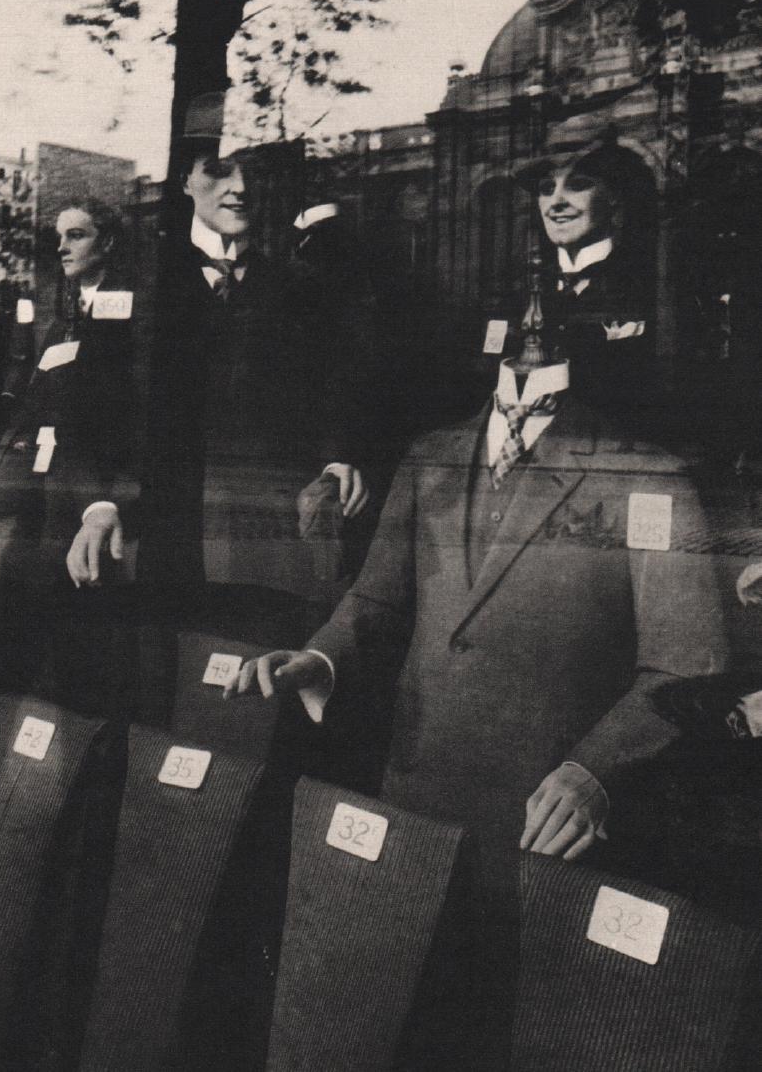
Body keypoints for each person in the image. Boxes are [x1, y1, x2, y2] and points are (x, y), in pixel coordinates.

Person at [225, 329, 727, 1064]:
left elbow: (685, 669)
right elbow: (376, 603)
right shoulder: (430, 453)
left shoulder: (645, 475)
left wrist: (594, 773)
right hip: (415, 802)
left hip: (544, 829)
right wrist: (318, 659)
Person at [68, 93, 376, 613]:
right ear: (186, 180)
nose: (240, 188)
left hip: (265, 546)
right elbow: (89, 408)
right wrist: (98, 505)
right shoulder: (138, 281)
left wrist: (338, 456)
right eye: (219, 170)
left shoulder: (300, 289)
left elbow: (332, 391)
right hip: (153, 533)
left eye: (251, 172)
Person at [0, 196, 137, 718]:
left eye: (77, 235)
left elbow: (119, 413)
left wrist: (102, 496)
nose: (62, 246)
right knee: (16, 626)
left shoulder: (130, 309)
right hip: (43, 484)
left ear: (109, 243)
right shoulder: (64, 312)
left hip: (89, 487)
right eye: (60, 236)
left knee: (80, 644)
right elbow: (38, 392)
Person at [514, 122, 659, 428]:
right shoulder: (520, 289)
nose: (557, 202)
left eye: (578, 184)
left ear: (614, 199)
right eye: (546, 189)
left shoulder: (649, 283)